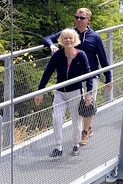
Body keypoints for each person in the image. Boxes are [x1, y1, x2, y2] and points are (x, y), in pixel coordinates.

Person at [44, 8, 112, 146]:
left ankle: (85, 132)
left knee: (87, 105)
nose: (79, 20)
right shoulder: (70, 34)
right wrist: (51, 45)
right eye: (77, 17)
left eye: (82, 18)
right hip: (73, 77)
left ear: (88, 20)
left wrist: (109, 78)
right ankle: (85, 128)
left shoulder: (95, 37)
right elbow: (47, 38)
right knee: (77, 108)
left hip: (90, 76)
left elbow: (103, 59)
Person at [35, 28, 92, 158]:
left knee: (76, 120)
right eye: (65, 38)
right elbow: (47, 73)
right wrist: (40, 92)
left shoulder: (81, 54)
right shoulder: (58, 55)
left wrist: (88, 93)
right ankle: (58, 147)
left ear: (75, 40)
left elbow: (89, 74)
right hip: (60, 92)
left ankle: (76, 145)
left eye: (70, 38)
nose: (68, 40)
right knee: (57, 118)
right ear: (61, 40)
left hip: (75, 91)